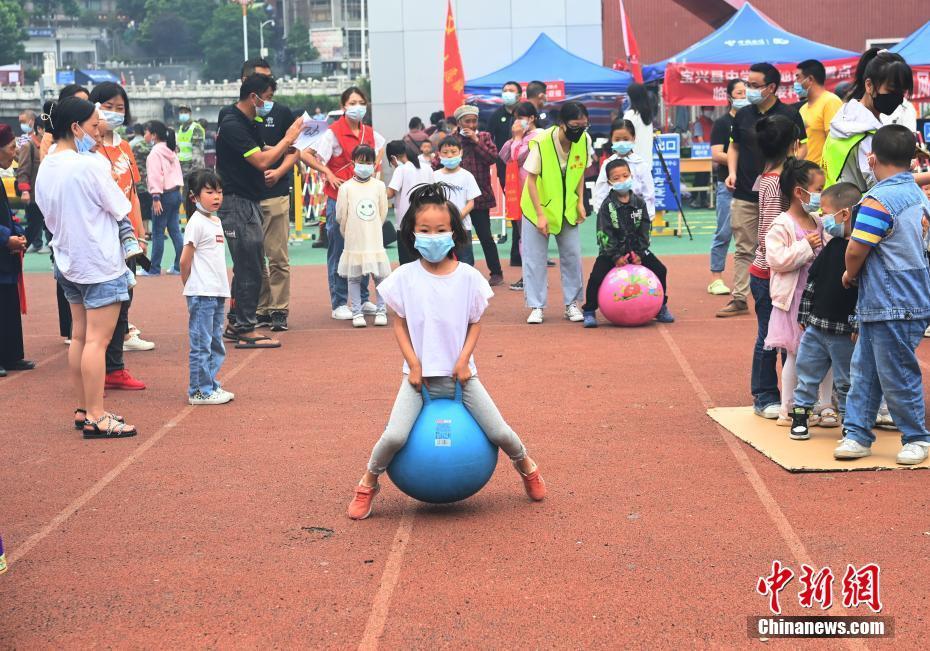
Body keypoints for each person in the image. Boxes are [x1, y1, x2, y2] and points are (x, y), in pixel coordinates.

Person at [345, 183, 545, 520]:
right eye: (424, 230)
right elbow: (399, 323)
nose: (432, 236)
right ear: (412, 233)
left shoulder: (468, 278)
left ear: (454, 233)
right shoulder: (404, 278)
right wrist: (413, 365)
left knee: (499, 432)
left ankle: (527, 466)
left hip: (462, 378)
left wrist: (464, 360)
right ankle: (368, 482)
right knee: (394, 435)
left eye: (440, 230)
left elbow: (475, 323)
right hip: (418, 379)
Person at [35, 97, 138, 438]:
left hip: (67, 260)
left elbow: (45, 213)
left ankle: (84, 408)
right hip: (99, 262)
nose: (98, 133)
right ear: (75, 127)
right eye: (94, 126)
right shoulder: (89, 165)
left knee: (80, 336)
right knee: (98, 340)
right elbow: (119, 205)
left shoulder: (47, 165)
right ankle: (96, 415)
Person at [834, 125, 930, 465]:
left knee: (897, 373)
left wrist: (849, 274)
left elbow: (856, 250)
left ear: (872, 159)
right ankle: (858, 433)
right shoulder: (917, 193)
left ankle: (917, 436)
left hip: (892, 300)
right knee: (866, 370)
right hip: (898, 298)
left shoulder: (878, 200)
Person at [215, 73, 303, 348]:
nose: (269, 104)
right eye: (267, 98)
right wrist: (287, 138)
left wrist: (283, 148)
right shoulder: (233, 123)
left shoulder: (243, 120)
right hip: (237, 201)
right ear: (254, 97)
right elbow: (262, 160)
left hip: (247, 199)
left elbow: (262, 151)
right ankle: (245, 327)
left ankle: (236, 321)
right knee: (250, 263)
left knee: (247, 264)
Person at [720, 62, 808, 319]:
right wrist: (733, 173)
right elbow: (733, 146)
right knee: (744, 245)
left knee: (780, 242)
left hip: (778, 192)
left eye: (754, 85)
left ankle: (778, 296)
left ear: (771, 87)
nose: (749, 89)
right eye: (747, 84)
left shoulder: (789, 114)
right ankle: (739, 297)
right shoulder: (744, 114)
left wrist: (789, 169)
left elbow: (801, 146)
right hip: (746, 191)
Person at [89, 81, 154, 390]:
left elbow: (134, 194)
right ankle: (99, 367)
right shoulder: (87, 149)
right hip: (102, 237)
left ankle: (115, 368)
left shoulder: (125, 147)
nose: (115, 113)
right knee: (104, 304)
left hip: (127, 238)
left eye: (120, 108)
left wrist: (140, 234)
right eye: (108, 107)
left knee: (125, 299)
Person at [788, 182, 863, 439]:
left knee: (846, 381)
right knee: (807, 372)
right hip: (816, 328)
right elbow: (813, 282)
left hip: (844, 332)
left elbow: (864, 293)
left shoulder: (861, 252)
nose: (822, 218)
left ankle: (850, 424)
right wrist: (804, 315)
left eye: (825, 212)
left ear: (844, 214)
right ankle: (800, 417)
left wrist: (856, 323)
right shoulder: (830, 247)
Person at [304, 86, 386, 320]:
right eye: (352, 103)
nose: (357, 107)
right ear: (343, 107)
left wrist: (375, 167)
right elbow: (306, 154)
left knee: (364, 248)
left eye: (361, 102)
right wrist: (327, 173)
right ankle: (339, 301)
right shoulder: (333, 132)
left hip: (364, 198)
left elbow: (381, 147)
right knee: (340, 250)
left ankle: (362, 298)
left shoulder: (369, 132)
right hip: (339, 197)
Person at [748, 114, 804, 419]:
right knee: (769, 336)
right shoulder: (773, 184)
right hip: (770, 272)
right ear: (793, 144)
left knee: (787, 335)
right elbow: (769, 233)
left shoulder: (780, 179)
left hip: (785, 269)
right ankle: (764, 394)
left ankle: (790, 395)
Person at [763, 158, 825, 425]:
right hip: (793, 301)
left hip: (817, 298)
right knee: (795, 354)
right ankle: (788, 408)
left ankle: (824, 406)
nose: (821, 194)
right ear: (800, 192)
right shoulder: (781, 225)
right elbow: (776, 260)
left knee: (825, 353)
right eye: (819, 188)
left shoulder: (819, 221)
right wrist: (805, 247)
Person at [521, 101, 593, 324]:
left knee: (572, 255)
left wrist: (581, 202)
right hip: (536, 209)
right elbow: (531, 180)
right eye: (574, 125)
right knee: (535, 258)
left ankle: (572, 304)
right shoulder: (542, 142)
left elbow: (580, 172)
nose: (579, 130)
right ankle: (536, 305)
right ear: (561, 123)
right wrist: (541, 215)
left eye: (584, 125)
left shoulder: (584, 140)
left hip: (567, 208)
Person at [581, 158, 673, 327]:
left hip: (636, 251)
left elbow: (645, 229)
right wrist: (615, 256)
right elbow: (604, 233)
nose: (622, 180)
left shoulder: (639, 203)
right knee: (595, 277)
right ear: (609, 182)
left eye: (625, 175)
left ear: (631, 176)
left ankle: (661, 306)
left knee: (660, 269)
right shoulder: (607, 206)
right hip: (612, 253)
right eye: (616, 178)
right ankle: (589, 310)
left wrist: (639, 253)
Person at [180, 169, 234, 406]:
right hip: (202, 294)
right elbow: (185, 260)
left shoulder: (216, 220)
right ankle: (199, 390)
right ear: (194, 197)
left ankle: (210, 385)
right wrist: (190, 284)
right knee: (201, 344)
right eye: (210, 192)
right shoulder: (196, 222)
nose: (216, 197)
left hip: (216, 292)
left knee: (215, 343)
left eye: (219, 192)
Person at [824, 49, 913, 192]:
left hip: (836, 205)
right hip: (859, 210)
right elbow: (883, 185)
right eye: (891, 90)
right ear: (869, 85)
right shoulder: (866, 133)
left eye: (901, 92)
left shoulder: (844, 115)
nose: (897, 97)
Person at [437, 105, 503, 286]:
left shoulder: (484, 137)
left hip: (480, 197)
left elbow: (492, 158)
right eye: (468, 121)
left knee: (485, 236)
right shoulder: (452, 140)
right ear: (459, 122)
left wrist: (475, 140)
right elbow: (438, 162)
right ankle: (454, 271)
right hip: (456, 201)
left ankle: (496, 272)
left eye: (474, 121)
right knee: (456, 237)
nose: (472, 124)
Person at [336, 145, 391, 328]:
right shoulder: (345, 188)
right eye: (361, 161)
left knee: (380, 275)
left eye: (369, 162)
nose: (365, 165)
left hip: (374, 237)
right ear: (353, 163)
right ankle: (357, 311)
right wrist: (349, 232)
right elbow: (341, 215)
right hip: (354, 239)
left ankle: (381, 310)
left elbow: (382, 212)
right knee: (354, 277)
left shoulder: (379, 186)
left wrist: (373, 226)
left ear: (374, 164)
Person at [707, 79, 748, 296]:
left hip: (751, 185)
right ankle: (716, 277)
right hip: (727, 185)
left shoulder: (753, 120)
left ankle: (751, 278)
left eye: (746, 92)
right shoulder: (722, 123)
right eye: (739, 93)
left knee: (752, 234)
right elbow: (716, 154)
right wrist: (741, 160)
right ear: (730, 97)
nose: (744, 96)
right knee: (724, 231)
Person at [0, 124, 34, 377]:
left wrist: (15, 231)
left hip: (6, 255)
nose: (14, 153)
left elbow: (5, 213)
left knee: (8, 304)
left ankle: (11, 355)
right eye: (11, 148)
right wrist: (5, 238)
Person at [497, 101, 541, 291]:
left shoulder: (538, 137)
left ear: (532, 118)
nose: (517, 122)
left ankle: (534, 276)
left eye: (521, 118)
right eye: (515, 118)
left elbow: (517, 156)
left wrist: (516, 138)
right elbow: (504, 156)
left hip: (533, 193)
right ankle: (529, 275)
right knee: (524, 237)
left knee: (532, 238)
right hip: (518, 193)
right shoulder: (520, 137)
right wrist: (516, 138)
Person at [142, 121, 184, 276]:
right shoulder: (171, 150)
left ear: (153, 135)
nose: (145, 134)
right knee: (175, 231)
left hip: (162, 196)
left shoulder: (154, 153)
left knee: (158, 232)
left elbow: (155, 176)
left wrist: (155, 197)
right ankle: (179, 267)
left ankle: (154, 268)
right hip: (175, 193)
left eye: (146, 131)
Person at [591, 119, 656, 219]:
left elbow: (649, 194)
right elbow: (600, 192)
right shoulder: (607, 164)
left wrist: (648, 218)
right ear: (611, 139)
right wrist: (601, 215)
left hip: (637, 215)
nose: (621, 143)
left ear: (633, 138)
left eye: (626, 139)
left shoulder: (641, 165)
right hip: (613, 216)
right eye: (617, 139)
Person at [432, 135, 480, 266]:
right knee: (441, 261)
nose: (449, 156)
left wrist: (458, 217)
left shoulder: (467, 176)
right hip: (440, 227)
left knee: (465, 261)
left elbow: (471, 202)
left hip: (462, 226)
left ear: (461, 152)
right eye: (445, 152)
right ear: (439, 154)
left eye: (453, 152)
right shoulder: (434, 177)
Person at [385, 140, 432, 264]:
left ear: (393, 158)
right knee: (425, 260)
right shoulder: (427, 168)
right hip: (427, 219)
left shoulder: (401, 170)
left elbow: (389, 194)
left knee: (407, 262)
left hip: (406, 222)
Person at [794, 60, 842, 168]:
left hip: (822, 177)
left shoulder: (830, 102)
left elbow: (834, 143)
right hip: (805, 176)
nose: (795, 82)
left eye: (798, 77)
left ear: (810, 79)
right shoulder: (803, 109)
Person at [15, 110, 47, 253]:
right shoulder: (29, 146)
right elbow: (23, 170)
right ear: (39, 129)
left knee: (53, 227)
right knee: (33, 226)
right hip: (34, 195)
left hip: (49, 195)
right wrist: (25, 191)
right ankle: (19, 250)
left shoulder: (51, 146)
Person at [40, 84, 89, 160]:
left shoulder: (91, 132)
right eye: (79, 103)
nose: (85, 108)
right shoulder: (50, 137)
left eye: (87, 103)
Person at [488, 81, 522, 189]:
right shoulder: (496, 115)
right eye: (505, 91)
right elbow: (488, 138)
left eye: (511, 91)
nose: (507, 93)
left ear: (519, 96)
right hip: (504, 164)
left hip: (523, 161)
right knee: (509, 195)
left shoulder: (525, 113)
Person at [623, 83, 656, 172]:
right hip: (647, 164)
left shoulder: (630, 115)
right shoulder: (648, 116)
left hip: (632, 165)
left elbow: (624, 140)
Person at [129, 123, 153, 238]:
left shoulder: (130, 145)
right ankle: (147, 229)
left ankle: (141, 231)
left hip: (136, 180)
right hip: (147, 180)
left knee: (139, 205)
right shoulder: (148, 145)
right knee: (147, 205)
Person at [690, 106, 714, 208]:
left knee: (706, 177)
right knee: (699, 177)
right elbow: (700, 139)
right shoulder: (699, 123)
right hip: (700, 154)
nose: (709, 111)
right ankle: (694, 199)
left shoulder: (712, 123)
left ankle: (703, 200)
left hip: (709, 154)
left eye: (711, 109)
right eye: (708, 109)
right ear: (703, 110)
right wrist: (707, 151)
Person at [176, 104, 205, 177]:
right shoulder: (181, 128)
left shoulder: (195, 128)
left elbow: (198, 154)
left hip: (192, 169)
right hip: (182, 167)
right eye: (181, 112)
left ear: (190, 113)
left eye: (185, 112)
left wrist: (195, 172)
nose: (183, 114)